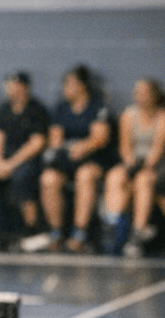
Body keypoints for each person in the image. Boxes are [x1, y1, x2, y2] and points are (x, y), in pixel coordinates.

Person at [33, 65, 113, 252]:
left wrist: (83, 146)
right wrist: (67, 149)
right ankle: (56, 232)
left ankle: (80, 232)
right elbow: (55, 139)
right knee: (48, 179)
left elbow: (99, 138)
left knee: (85, 176)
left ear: (82, 85)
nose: (65, 87)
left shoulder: (97, 106)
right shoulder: (61, 108)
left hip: (95, 160)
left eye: (69, 83)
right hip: (67, 161)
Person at [99, 78, 165, 257]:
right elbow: (125, 147)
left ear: (154, 95)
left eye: (144, 93)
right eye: (137, 93)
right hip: (133, 162)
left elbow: (159, 148)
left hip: (156, 164)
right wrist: (130, 165)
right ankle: (112, 227)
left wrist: (144, 166)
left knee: (143, 180)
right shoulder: (128, 115)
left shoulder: (164, 116)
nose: (140, 97)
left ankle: (137, 235)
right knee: (114, 177)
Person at [0, 71, 50, 250]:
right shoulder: (3, 110)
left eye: (14, 85)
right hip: (5, 160)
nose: (9, 89)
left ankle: (33, 230)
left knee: (22, 178)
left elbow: (36, 143)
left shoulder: (37, 110)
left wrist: (11, 163)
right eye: (8, 85)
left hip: (28, 160)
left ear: (24, 87)